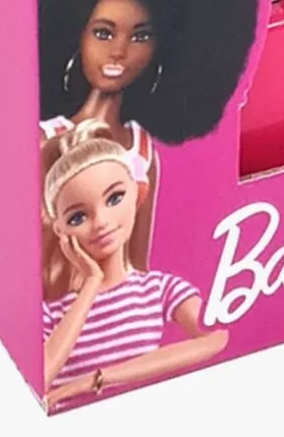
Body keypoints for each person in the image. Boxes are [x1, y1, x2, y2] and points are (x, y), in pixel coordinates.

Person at [38, 0, 259, 296]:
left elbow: (137, 265)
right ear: (75, 33)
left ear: (163, 50)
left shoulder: (141, 150)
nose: (118, 51)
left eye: (140, 37)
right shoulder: (47, 139)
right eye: (103, 32)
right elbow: (36, 260)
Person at [42, 121, 228, 407]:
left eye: (114, 198)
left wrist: (97, 380)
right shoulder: (52, 314)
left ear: (138, 193)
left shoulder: (157, 289)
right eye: (77, 217)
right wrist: (91, 282)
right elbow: (41, 376)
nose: (101, 222)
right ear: (61, 230)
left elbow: (217, 337)